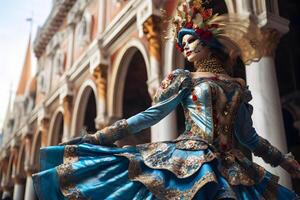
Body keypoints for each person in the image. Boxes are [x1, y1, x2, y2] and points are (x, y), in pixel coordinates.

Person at [32, 0, 300, 199]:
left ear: (208, 43)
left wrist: (283, 160)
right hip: (187, 162)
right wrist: (100, 137)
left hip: (233, 168)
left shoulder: (237, 87)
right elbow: (150, 115)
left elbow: (248, 137)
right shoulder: (184, 79)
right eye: (182, 44)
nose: (185, 47)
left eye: (191, 40)